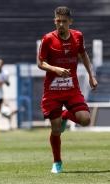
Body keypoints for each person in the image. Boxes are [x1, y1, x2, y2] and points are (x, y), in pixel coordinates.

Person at [37, 6, 97, 173]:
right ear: (54, 21)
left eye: (64, 21)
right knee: (56, 129)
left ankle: (65, 115)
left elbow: (83, 54)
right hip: (52, 90)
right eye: (58, 21)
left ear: (70, 22)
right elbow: (40, 63)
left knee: (85, 120)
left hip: (71, 88)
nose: (61, 24)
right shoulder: (48, 39)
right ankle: (57, 162)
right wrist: (55, 69)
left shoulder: (78, 37)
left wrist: (91, 75)